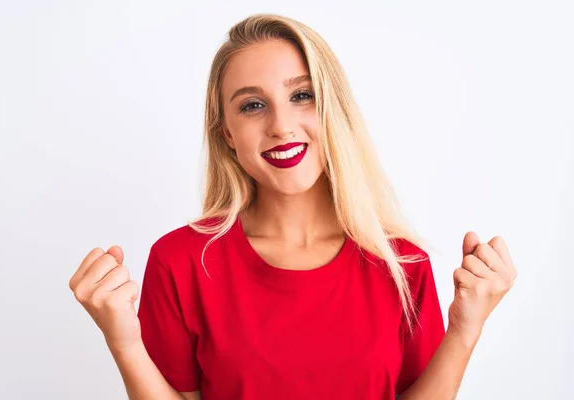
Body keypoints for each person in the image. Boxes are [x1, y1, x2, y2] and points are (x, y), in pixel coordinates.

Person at [68, 13, 517, 400]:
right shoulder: (180, 261)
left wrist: (464, 328)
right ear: (227, 134)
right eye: (253, 105)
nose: (281, 125)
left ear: (332, 110)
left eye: (302, 95)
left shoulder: (400, 263)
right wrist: (123, 341)